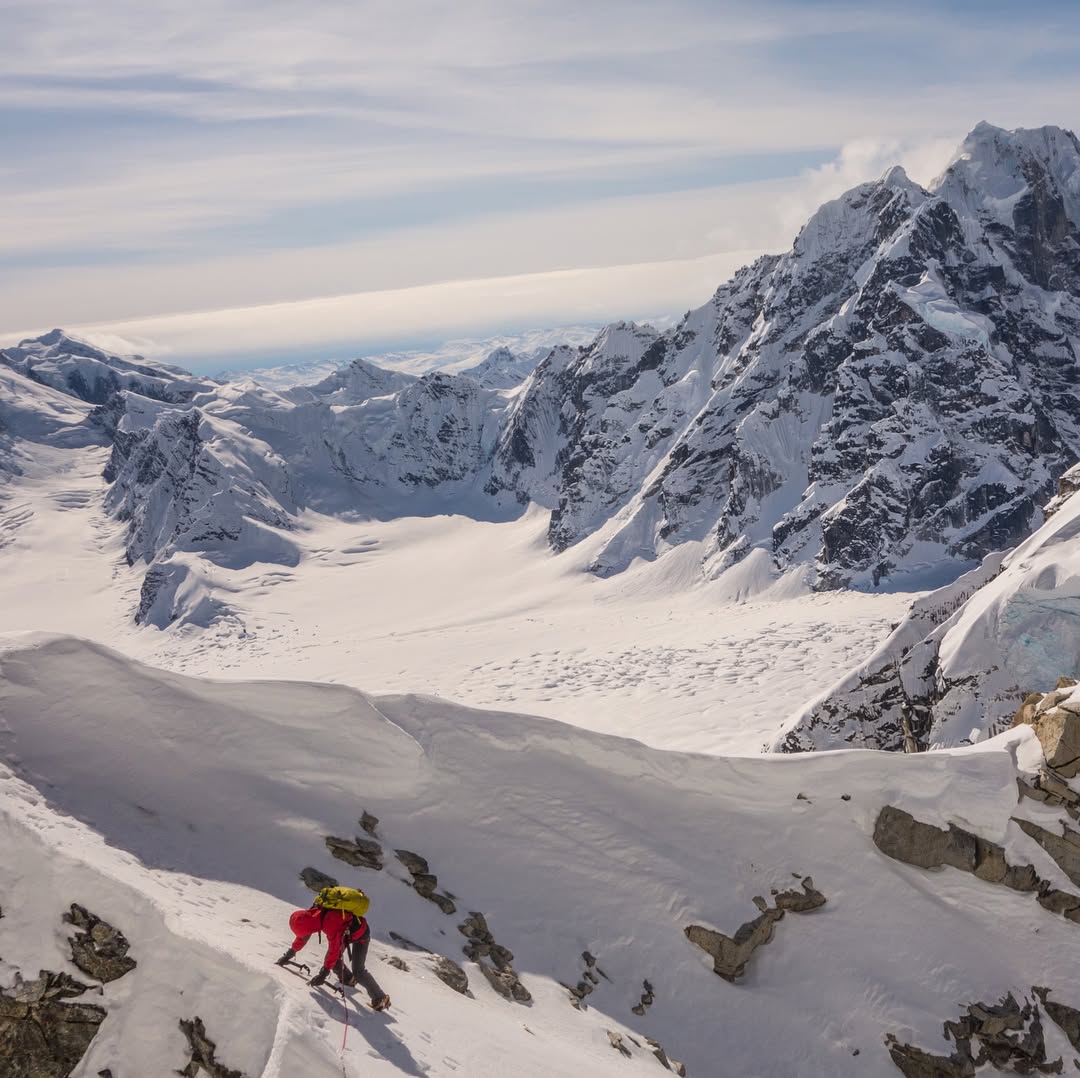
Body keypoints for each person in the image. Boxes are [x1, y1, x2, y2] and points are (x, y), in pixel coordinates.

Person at [276, 904, 391, 1011]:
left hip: (361, 934)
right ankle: (348, 979)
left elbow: (334, 950)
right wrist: (289, 954)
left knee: (358, 970)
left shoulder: (329, 922)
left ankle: (380, 998)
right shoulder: (311, 916)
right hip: (346, 932)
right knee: (334, 961)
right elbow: (303, 937)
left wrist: (323, 973)